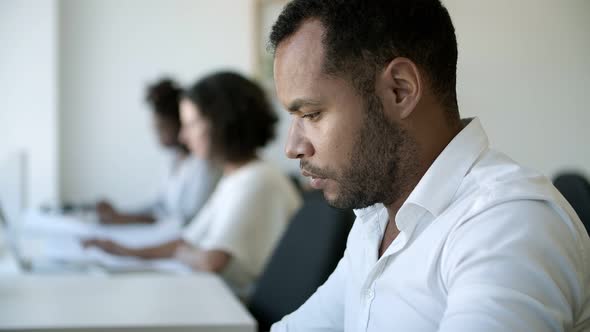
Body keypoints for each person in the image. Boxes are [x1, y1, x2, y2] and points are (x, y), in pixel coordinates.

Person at [269, 0, 590, 331]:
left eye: (311, 114)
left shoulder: (508, 225)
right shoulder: (375, 220)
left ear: (400, 90)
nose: (293, 148)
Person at [85, 72, 302, 298]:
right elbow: (186, 241)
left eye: (190, 124)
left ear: (221, 123)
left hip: (238, 310)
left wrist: (183, 254)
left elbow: (210, 261)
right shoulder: (236, 177)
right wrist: (124, 251)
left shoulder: (257, 180)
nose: (183, 136)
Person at [96, 78, 220, 225]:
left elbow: (190, 220)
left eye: (162, 127)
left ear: (181, 123)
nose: (155, 132)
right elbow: (160, 205)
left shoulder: (204, 164)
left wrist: (133, 219)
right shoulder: (174, 159)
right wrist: (120, 214)